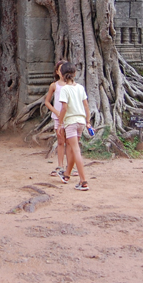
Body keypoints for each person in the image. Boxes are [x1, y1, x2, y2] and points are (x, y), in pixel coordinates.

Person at [57, 62, 92, 191]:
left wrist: (60, 123)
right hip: (81, 122)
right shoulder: (80, 88)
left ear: (62, 74)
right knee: (72, 148)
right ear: (75, 74)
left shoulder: (65, 89)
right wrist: (88, 121)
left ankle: (83, 181)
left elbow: (64, 108)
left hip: (71, 122)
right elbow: (86, 106)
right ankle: (67, 175)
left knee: (75, 150)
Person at [44, 60, 68, 178]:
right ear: (57, 72)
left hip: (69, 117)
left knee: (70, 142)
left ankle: (70, 166)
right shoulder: (54, 85)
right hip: (58, 117)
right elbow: (47, 102)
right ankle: (60, 165)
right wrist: (56, 112)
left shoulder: (72, 85)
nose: (62, 72)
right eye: (60, 70)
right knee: (60, 141)